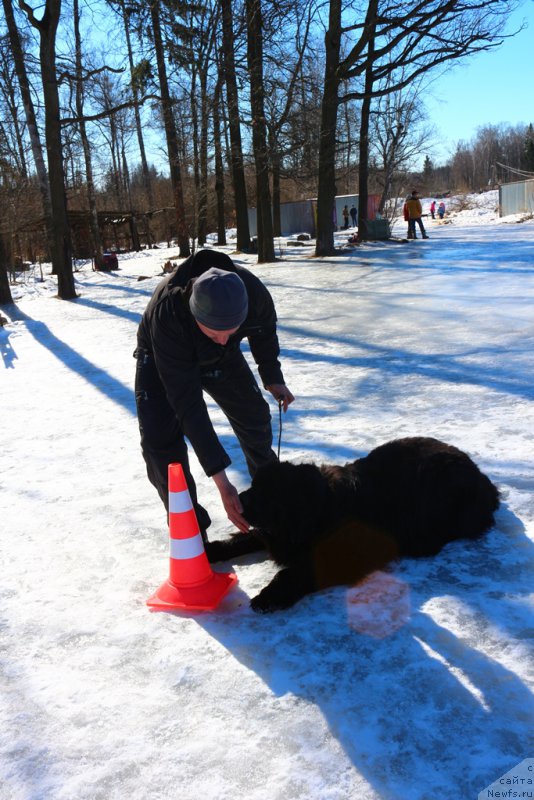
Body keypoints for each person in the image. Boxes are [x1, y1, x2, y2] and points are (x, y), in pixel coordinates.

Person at [134, 249, 295, 543]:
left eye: (230, 332)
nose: (223, 338)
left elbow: (263, 331)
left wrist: (272, 376)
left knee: (255, 416)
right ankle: (190, 529)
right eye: (213, 333)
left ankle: (271, 504)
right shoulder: (169, 313)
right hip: (163, 355)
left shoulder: (254, 295)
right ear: (195, 312)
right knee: (160, 442)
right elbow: (189, 407)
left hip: (220, 360)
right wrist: (223, 483)